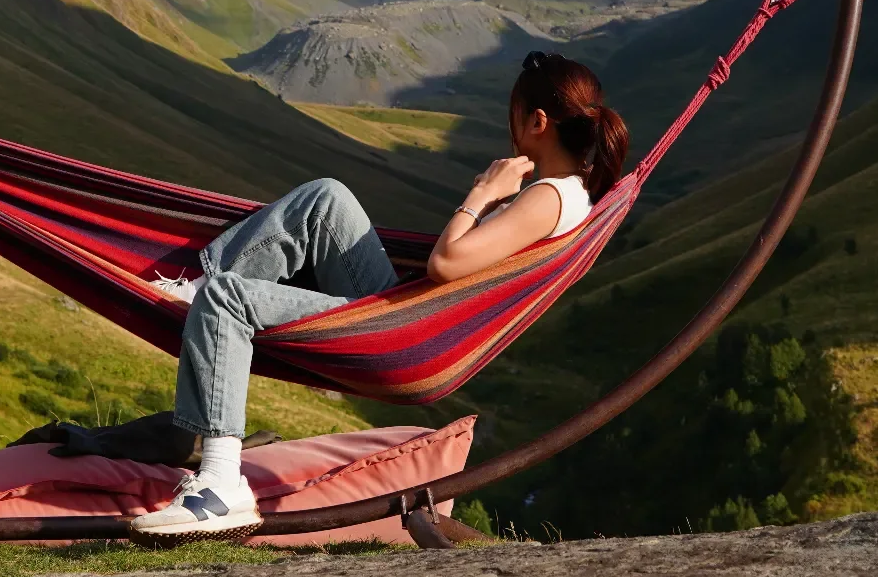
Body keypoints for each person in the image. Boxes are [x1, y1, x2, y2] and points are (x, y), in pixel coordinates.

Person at [132, 50, 629, 540]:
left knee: (228, 298)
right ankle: (194, 291)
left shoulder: (548, 196)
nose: (511, 126)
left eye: (515, 115)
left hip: (405, 339)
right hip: (406, 318)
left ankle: (220, 485)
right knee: (326, 200)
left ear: (538, 120)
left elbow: (446, 263)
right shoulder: (570, 191)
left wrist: (482, 193)